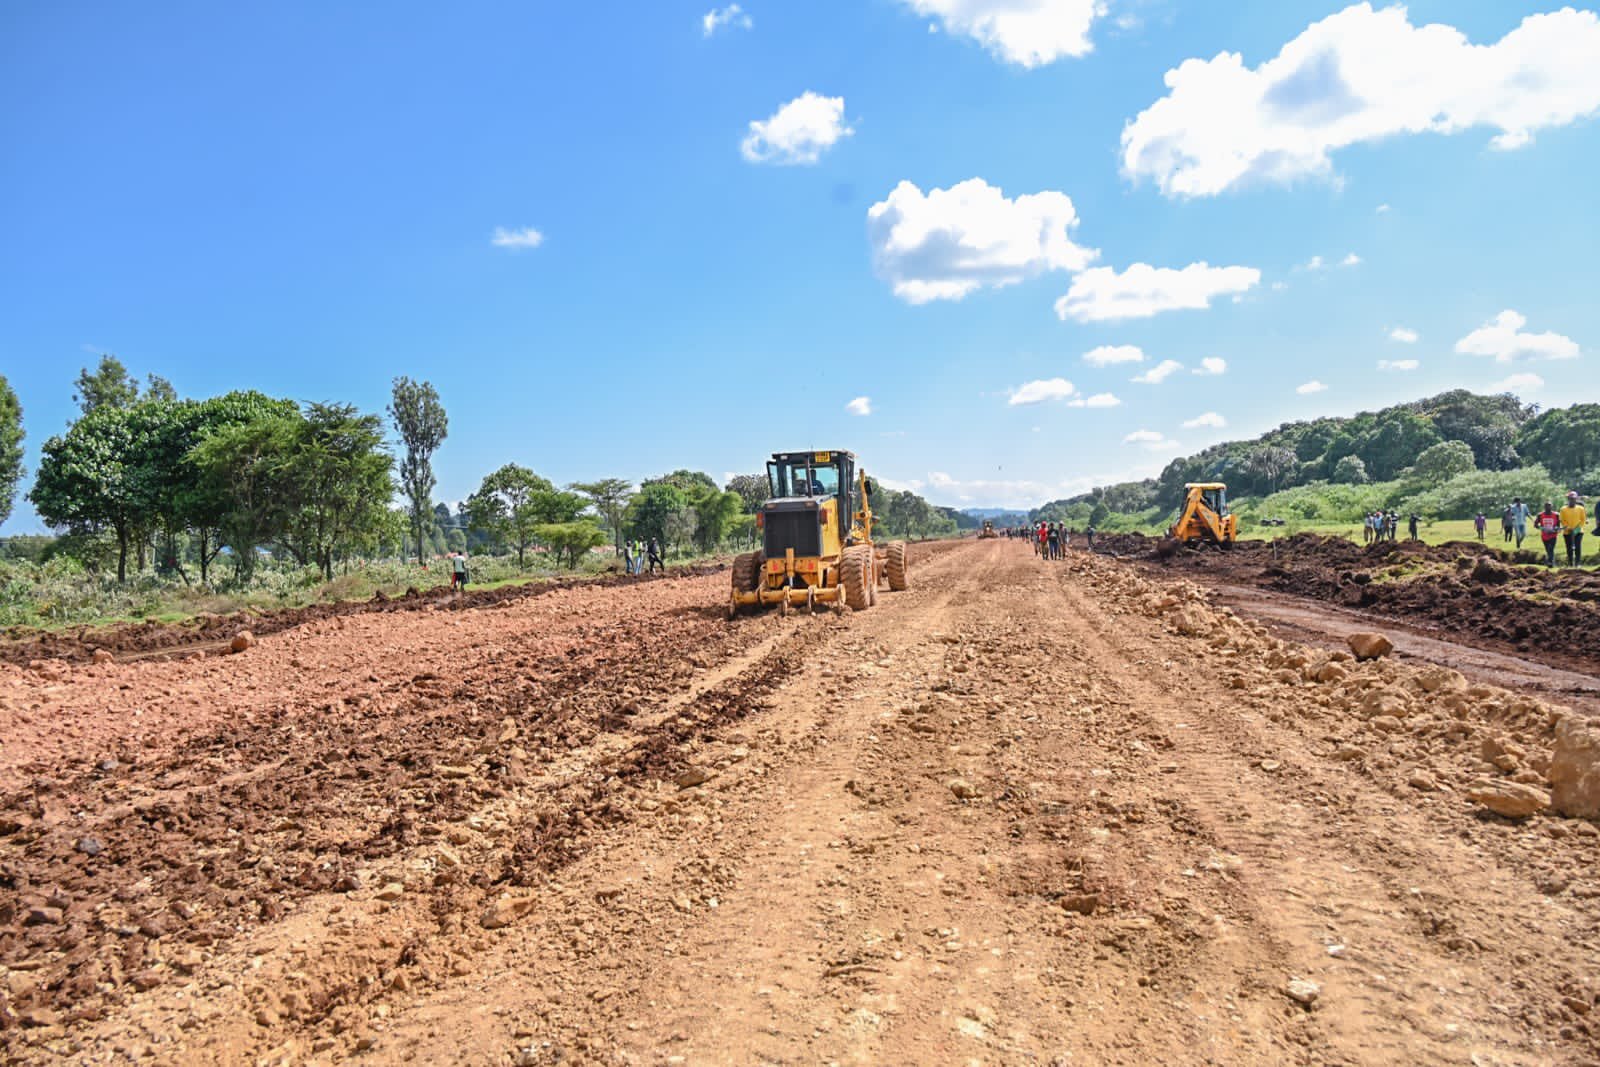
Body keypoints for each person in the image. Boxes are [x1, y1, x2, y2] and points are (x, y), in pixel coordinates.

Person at [1560, 491, 1587, 567]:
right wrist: (1568, 528)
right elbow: (1562, 520)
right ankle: (1570, 563)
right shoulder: (1563, 509)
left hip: (1578, 531)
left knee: (1578, 547)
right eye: (1571, 499)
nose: (1572, 500)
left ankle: (1578, 563)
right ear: (1568, 499)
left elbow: (1583, 520)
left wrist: (1577, 529)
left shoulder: (1581, 508)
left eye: (1574, 499)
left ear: (1576, 499)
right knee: (1569, 548)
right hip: (1567, 531)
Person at [1536, 502, 1562, 567]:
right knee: (1548, 550)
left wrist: (1556, 529)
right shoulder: (1540, 515)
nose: (1548, 508)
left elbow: (1558, 526)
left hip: (1553, 535)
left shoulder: (1556, 515)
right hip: (1544, 535)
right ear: (1544, 507)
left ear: (1552, 507)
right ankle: (1552, 561)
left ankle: (1550, 563)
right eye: (1546, 506)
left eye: (1549, 506)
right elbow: (1536, 525)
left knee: (1551, 548)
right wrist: (1541, 528)